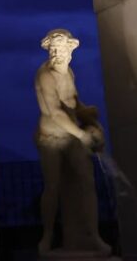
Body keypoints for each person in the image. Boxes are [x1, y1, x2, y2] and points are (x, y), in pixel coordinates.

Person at [33, 29, 109, 256]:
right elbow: (55, 112)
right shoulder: (45, 75)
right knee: (53, 186)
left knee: (87, 181)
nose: (57, 54)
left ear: (70, 51)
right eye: (53, 50)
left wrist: (90, 116)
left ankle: (93, 236)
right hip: (51, 138)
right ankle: (47, 235)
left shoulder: (68, 72)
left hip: (72, 134)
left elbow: (73, 102)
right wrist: (83, 135)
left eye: (61, 49)